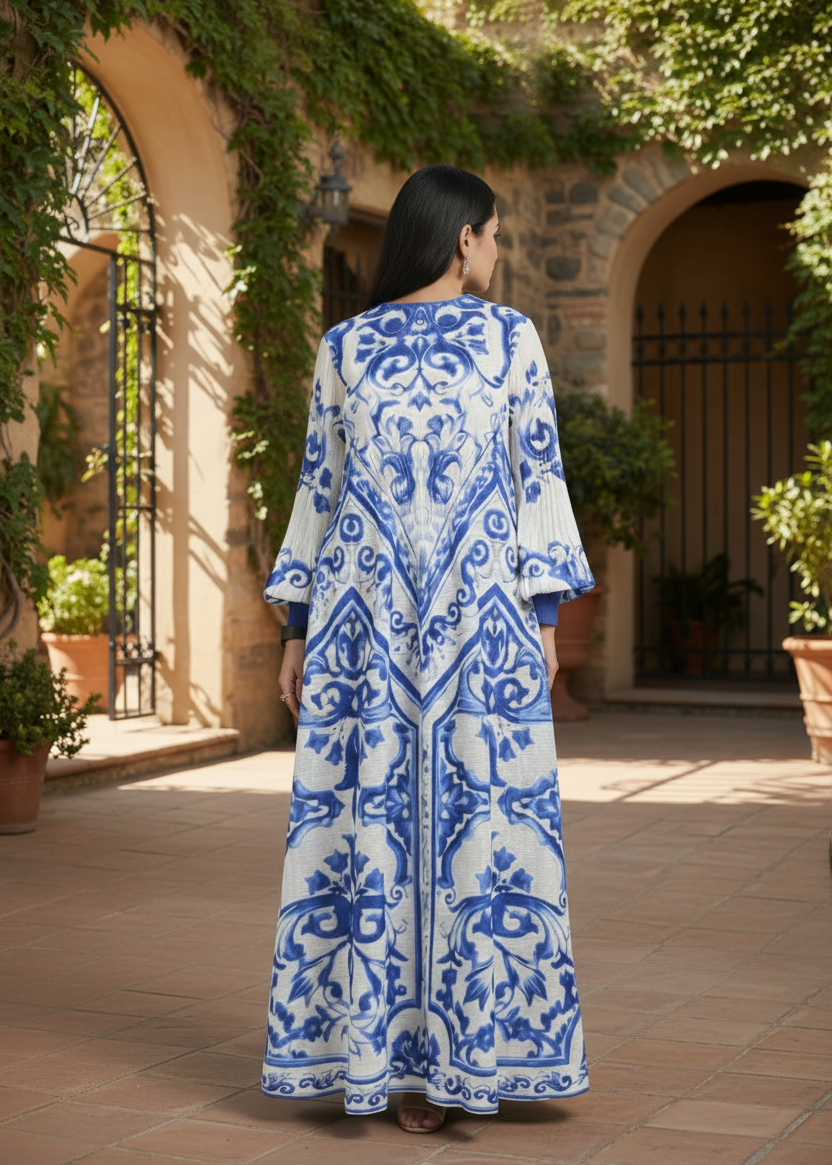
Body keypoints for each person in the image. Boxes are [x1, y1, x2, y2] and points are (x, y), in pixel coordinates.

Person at [261, 164, 595, 1134]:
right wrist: (296, 628)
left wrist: (535, 624)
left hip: (439, 633)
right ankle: (392, 1064)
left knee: (462, 829)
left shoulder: (481, 340)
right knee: (396, 832)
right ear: (462, 239)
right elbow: (322, 492)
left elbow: (530, 481)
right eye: (491, 236)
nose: (496, 252)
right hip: (396, 634)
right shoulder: (359, 347)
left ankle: (462, 1059)